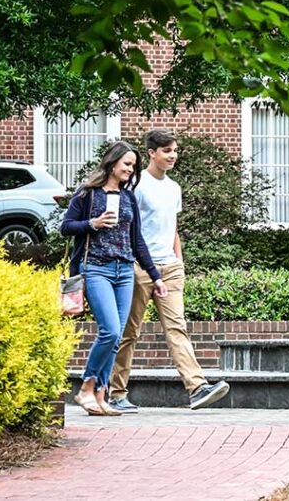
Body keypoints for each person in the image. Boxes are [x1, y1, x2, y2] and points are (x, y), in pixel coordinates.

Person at [108, 130, 230, 412]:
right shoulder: (137, 187)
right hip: (139, 267)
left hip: (170, 268)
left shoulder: (174, 188)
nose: (173, 155)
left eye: (175, 150)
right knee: (129, 332)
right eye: (166, 151)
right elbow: (127, 227)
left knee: (177, 327)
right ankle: (116, 393)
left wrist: (179, 260)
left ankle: (197, 387)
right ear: (151, 153)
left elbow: (172, 227)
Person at [61, 141, 167, 416]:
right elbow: (65, 227)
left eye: (134, 166)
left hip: (124, 272)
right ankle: (86, 387)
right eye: (127, 164)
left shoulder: (129, 197)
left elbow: (137, 240)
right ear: (113, 163)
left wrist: (155, 276)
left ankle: (99, 394)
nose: (131, 170)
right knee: (109, 330)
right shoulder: (88, 194)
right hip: (95, 269)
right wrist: (92, 224)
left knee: (117, 335)